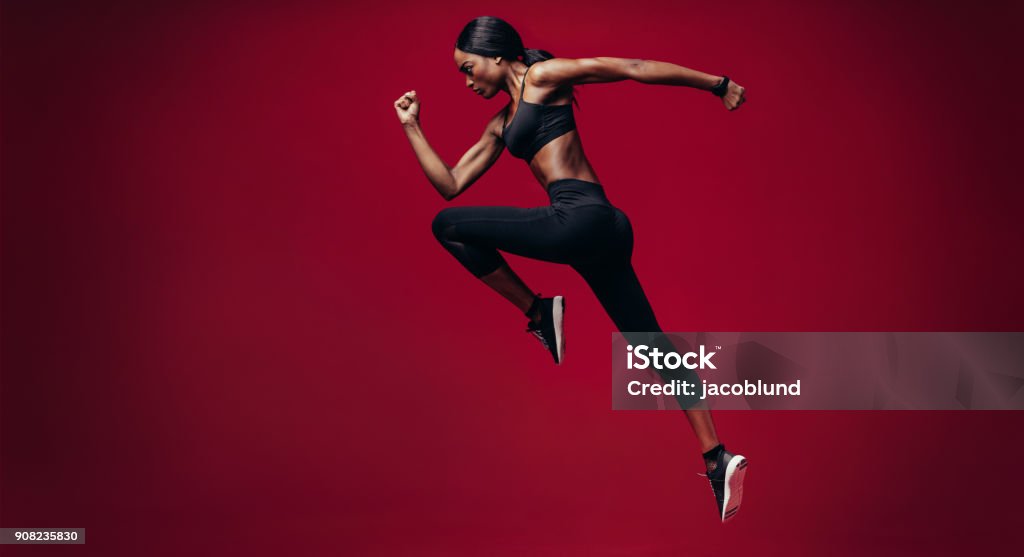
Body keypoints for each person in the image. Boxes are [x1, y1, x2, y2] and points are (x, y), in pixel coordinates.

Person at [394, 15, 748, 522]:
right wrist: (412, 127)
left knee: (448, 226)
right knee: (652, 346)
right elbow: (451, 181)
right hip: (601, 233)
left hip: (579, 218)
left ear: (497, 56)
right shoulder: (500, 124)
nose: (467, 81)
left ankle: (540, 313)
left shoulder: (544, 77)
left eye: (468, 68)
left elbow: (633, 67)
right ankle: (719, 459)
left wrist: (718, 84)